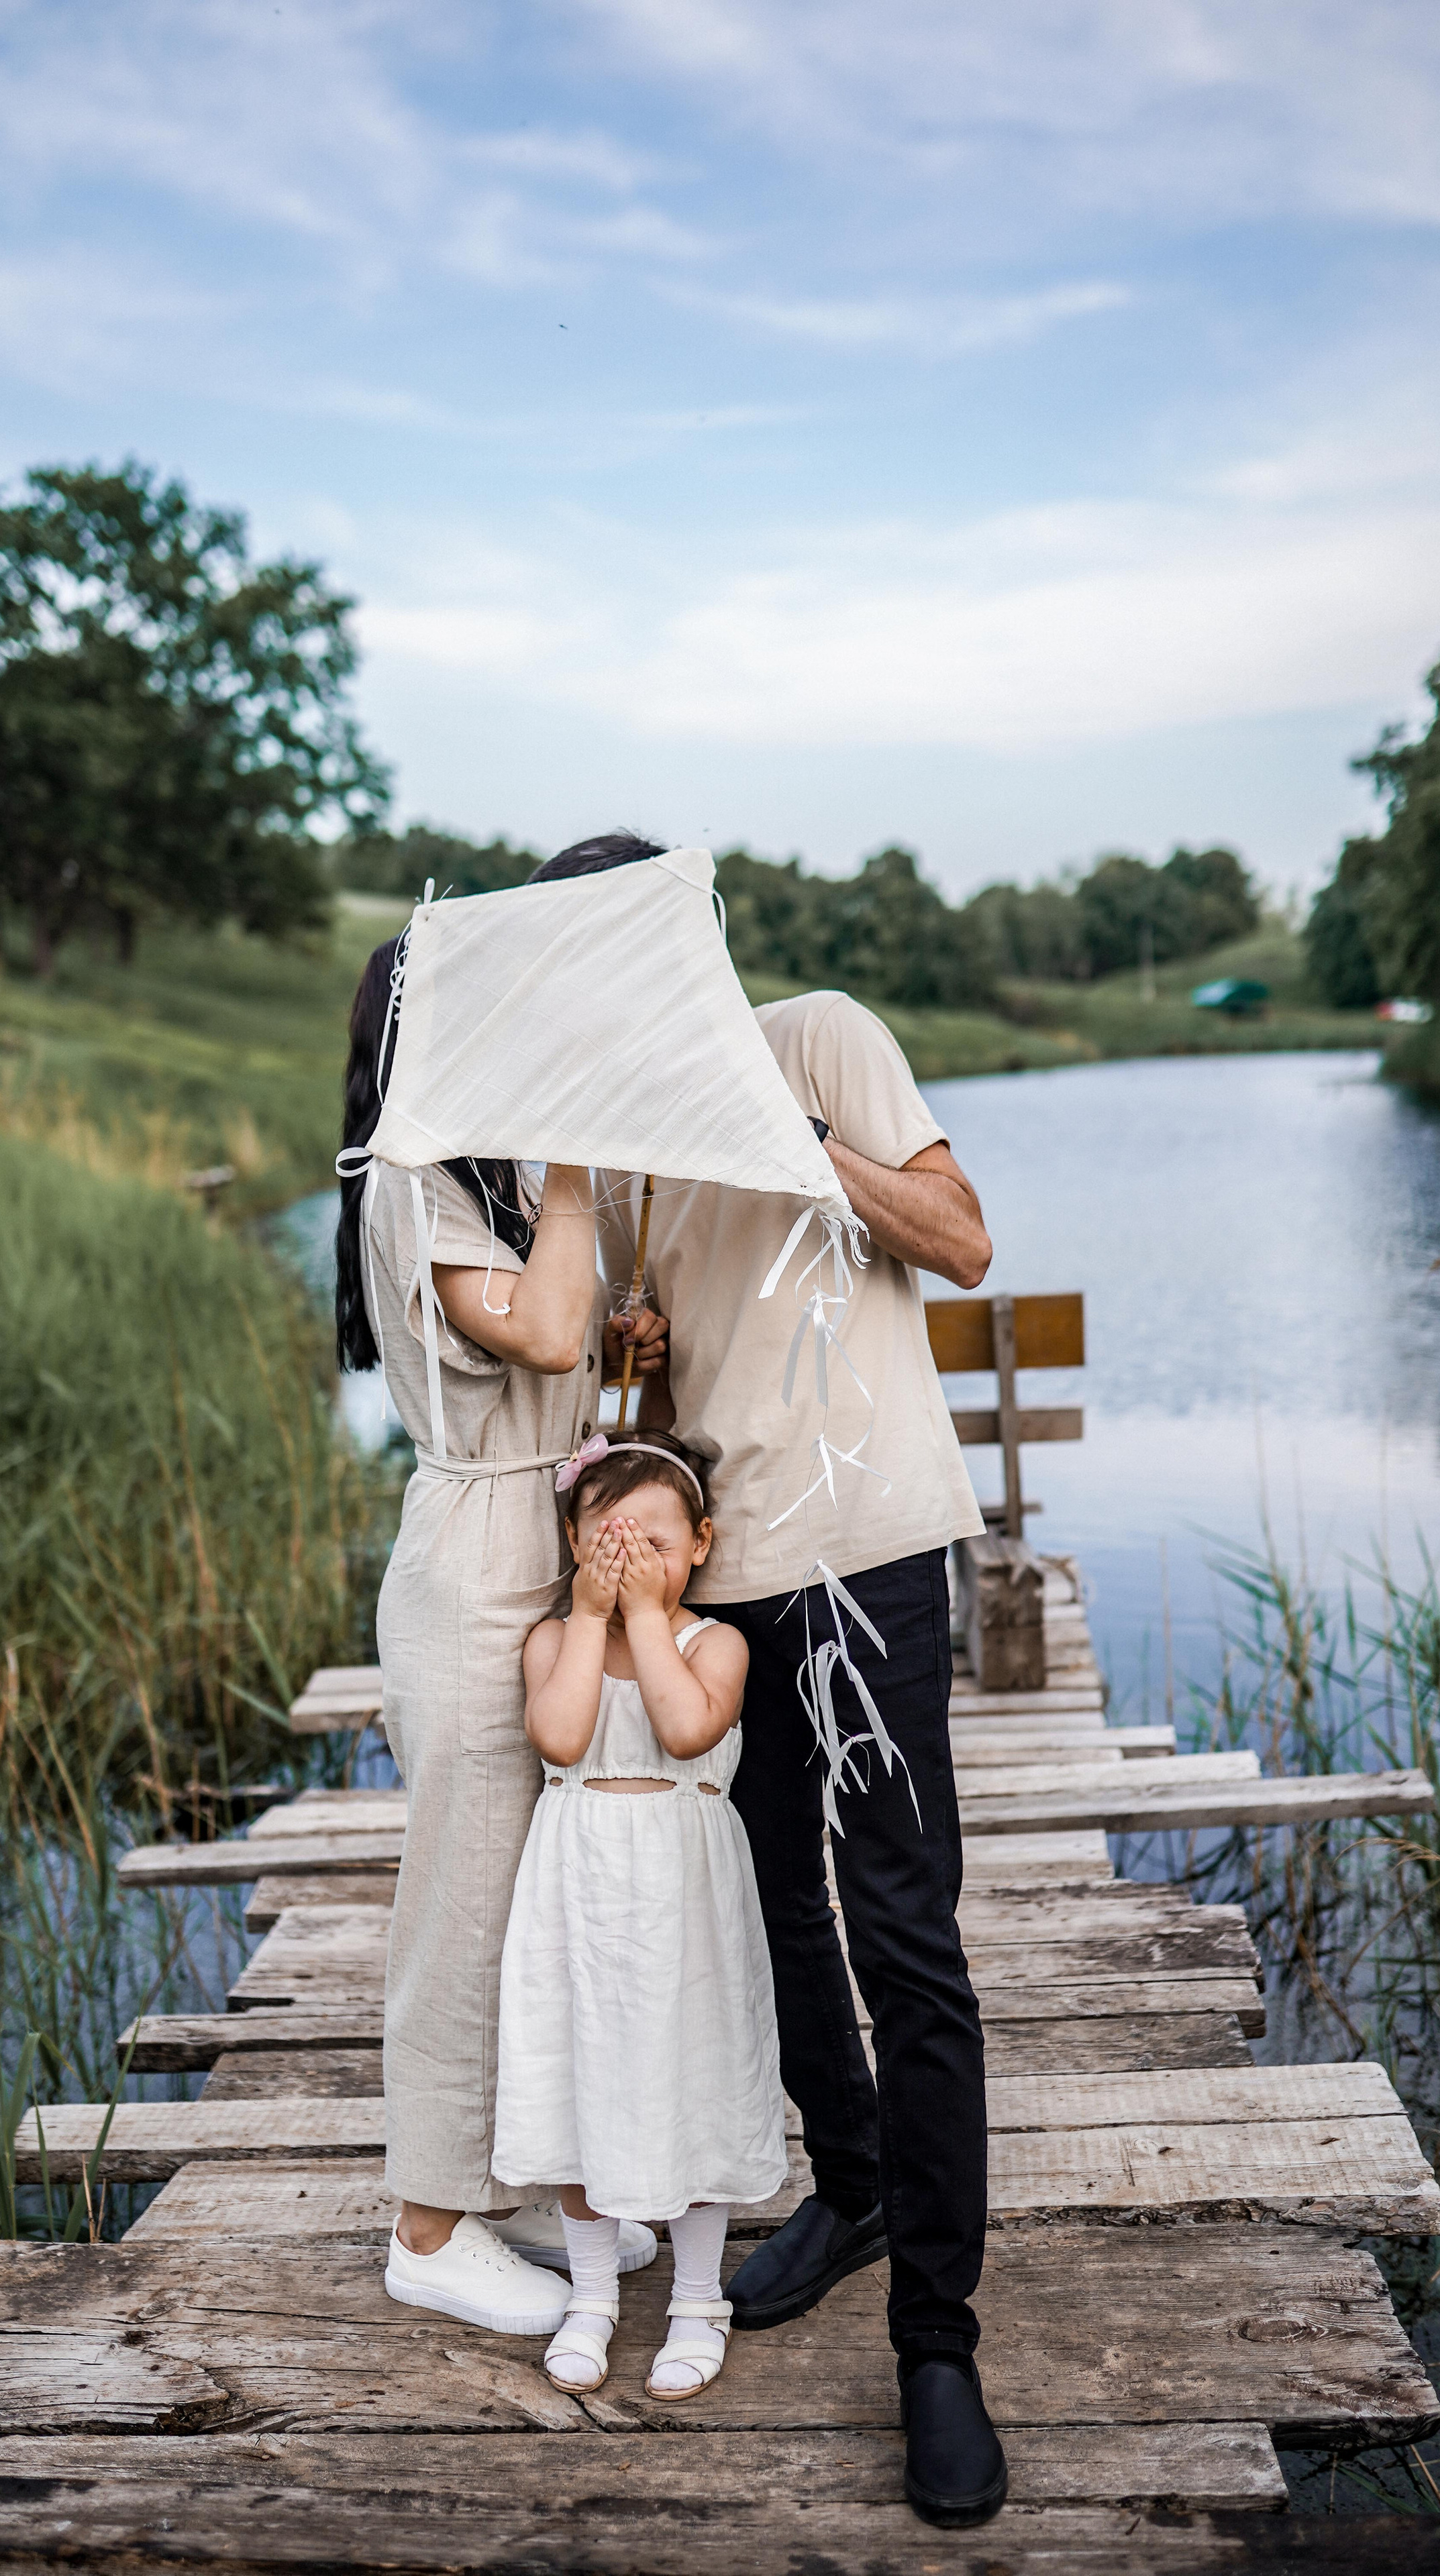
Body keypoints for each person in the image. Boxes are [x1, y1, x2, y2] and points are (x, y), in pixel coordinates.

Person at [530, 835, 1006, 2528]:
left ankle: (935, 2345)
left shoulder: (817, 1037)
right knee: (777, 1912)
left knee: (901, 1927)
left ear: (688, 942)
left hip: (867, 1549)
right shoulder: (633, 1152)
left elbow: (957, 1238)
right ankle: (855, 2178)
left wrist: (799, 1148)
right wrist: (629, 1349)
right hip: (729, 1584)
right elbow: (647, 1354)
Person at [334, 921, 669, 2332]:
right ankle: (424, 2225)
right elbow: (531, 1337)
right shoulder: (412, 1176)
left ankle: (504, 2176)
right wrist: (583, 1161)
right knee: (462, 1908)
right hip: (474, 1568)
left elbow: (556, 1337)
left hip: (540, 1536)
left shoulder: (492, 1176)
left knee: (536, 1899)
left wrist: (616, 1343)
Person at [492, 1429, 785, 2398]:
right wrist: (588, 1619)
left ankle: (699, 2297)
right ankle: (591, 2296)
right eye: (607, 1545)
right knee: (580, 2086)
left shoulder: (718, 1644)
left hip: (684, 1896)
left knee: (690, 2082)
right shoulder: (552, 1640)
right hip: (577, 1892)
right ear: (576, 1550)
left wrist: (649, 1617)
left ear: (700, 1544)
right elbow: (563, 1741)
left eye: (654, 1545)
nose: (631, 1565)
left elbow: (686, 1726)